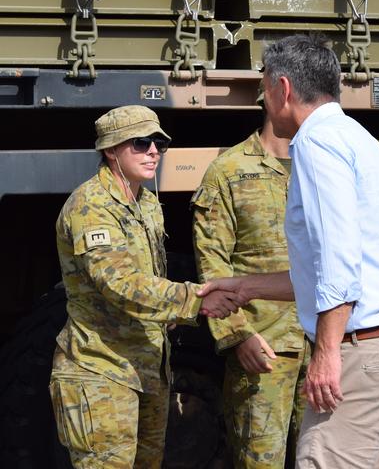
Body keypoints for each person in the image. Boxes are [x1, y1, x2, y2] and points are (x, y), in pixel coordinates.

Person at [198, 34, 379, 468]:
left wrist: (327, 353)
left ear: (283, 88)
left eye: (265, 86)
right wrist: (245, 286)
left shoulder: (314, 142)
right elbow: (345, 264)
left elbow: (338, 259)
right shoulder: (357, 138)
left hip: (368, 353)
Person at [50, 105, 242, 468]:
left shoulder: (147, 202)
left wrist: (169, 313)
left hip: (148, 369)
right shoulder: (91, 205)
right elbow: (120, 284)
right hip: (102, 372)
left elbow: (151, 273)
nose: (154, 151)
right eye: (140, 143)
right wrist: (194, 301)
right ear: (110, 150)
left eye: (158, 142)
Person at [192, 86, 309, 468]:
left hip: (326, 347)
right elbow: (213, 264)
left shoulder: (323, 165)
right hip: (264, 350)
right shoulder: (229, 170)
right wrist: (237, 335)